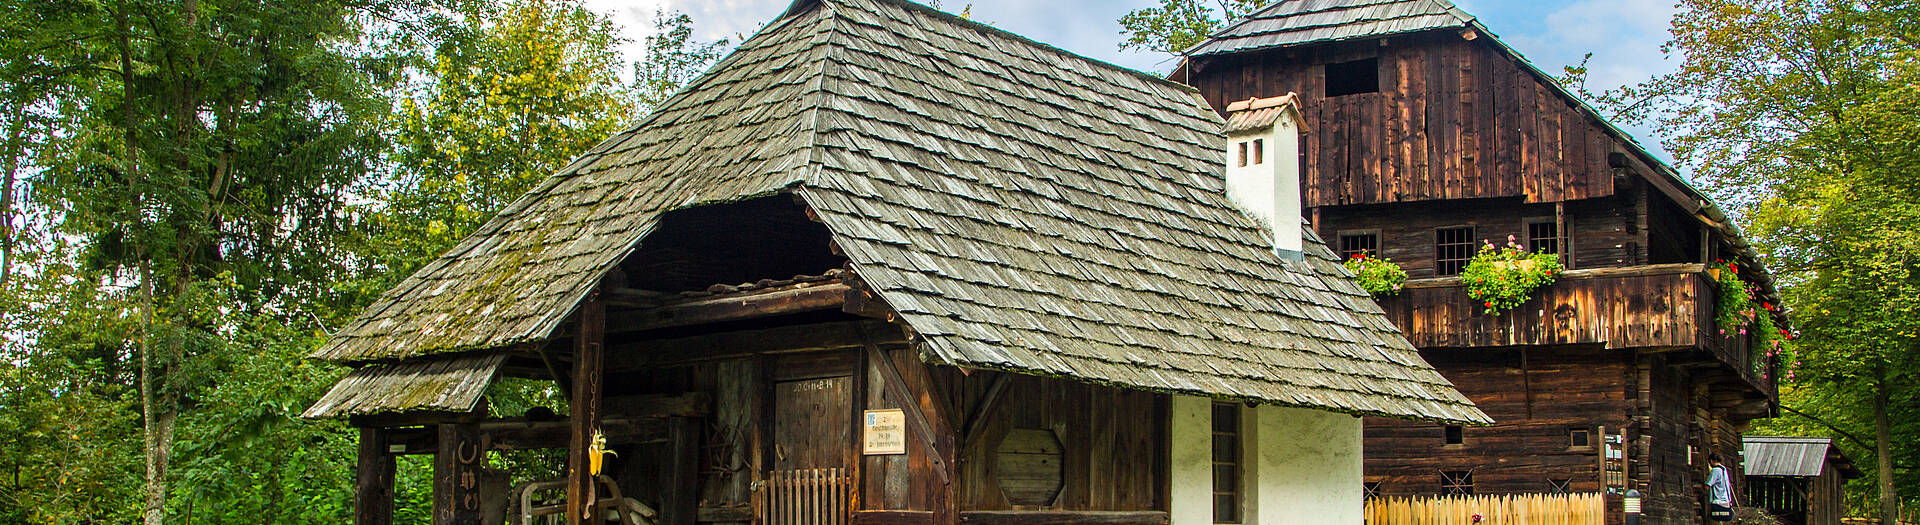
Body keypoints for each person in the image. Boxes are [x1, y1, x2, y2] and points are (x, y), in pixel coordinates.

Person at [1706, 454, 1734, 521]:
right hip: (1726, 501)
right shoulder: (1723, 469)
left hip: (1718, 502)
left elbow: (1708, 485)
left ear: (1711, 461)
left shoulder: (1715, 470)